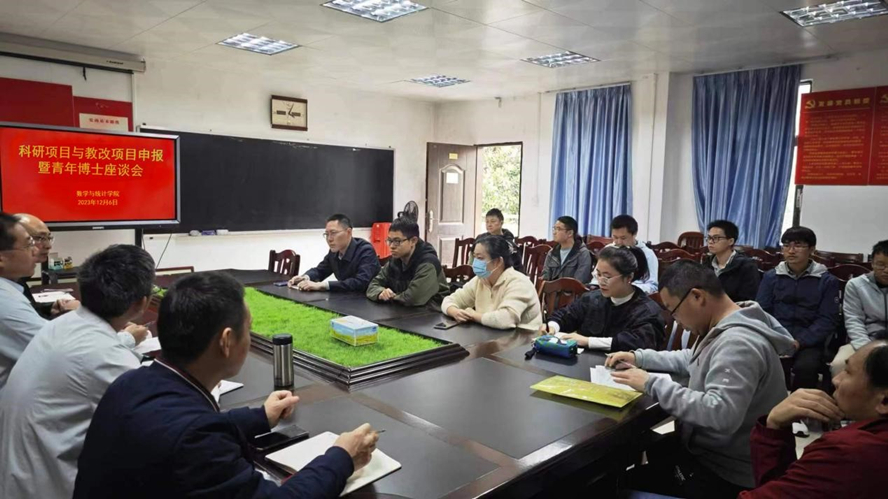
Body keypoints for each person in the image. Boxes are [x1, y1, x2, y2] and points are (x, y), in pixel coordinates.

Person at [74, 272, 379, 498]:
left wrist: (260, 417)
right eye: (249, 330)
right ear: (226, 341)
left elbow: (191, 423)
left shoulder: (132, 382)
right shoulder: (196, 441)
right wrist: (341, 457)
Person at [607, 260, 794, 499]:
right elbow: (692, 358)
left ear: (697, 296)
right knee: (635, 459)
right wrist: (639, 357)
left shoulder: (739, 343)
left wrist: (650, 383)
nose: (676, 320)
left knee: (610, 487)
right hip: (708, 454)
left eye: (673, 310)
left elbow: (720, 413)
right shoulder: (728, 322)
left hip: (726, 474)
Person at [0, 245, 153, 499]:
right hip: (47, 485)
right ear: (141, 304)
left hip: (19, 471)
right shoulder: (108, 357)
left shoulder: (64, 323)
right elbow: (154, 426)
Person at [739, 340, 888, 498]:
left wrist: (771, 429)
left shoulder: (847, 452)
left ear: (884, 401)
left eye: (848, 371)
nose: (836, 380)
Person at [756, 226, 841, 391]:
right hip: (776, 336)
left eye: (798, 245)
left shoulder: (826, 280)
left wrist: (800, 342)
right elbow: (762, 311)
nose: (791, 250)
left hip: (809, 341)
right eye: (786, 245)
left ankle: (800, 405)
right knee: (764, 363)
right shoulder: (771, 277)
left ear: (812, 249)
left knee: (806, 368)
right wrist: (776, 337)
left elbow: (827, 319)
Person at [541, 246, 664, 351]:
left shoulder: (646, 311)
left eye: (606, 277)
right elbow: (566, 315)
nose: (600, 281)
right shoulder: (592, 299)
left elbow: (637, 343)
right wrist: (552, 327)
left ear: (628, 277)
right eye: (598, 274)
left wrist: (588, 341)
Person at [442, 235, 542, 330]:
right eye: (474, 257)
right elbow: (449, 300)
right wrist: (454, 311)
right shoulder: (480, 280)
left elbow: (505, 320)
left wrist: (473, 315)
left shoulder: (519, 283)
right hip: (490, 334)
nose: (475, 263)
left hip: (522, 338)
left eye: (480, 258)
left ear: (498, 262)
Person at [830, 239, 888, 377]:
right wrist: (867, 350)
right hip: (864, 340)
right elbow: (854, 321)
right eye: (881, 265)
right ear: (872, 263)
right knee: (839, 364)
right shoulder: (856, 285)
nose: (887, 270)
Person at [0, 212, 44, 392]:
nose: (36, 251)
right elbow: (57, 346)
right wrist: (123, 336)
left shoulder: (9, 288)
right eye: (29, 244)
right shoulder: (4, 301)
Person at [367, 216, 449, 308]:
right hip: (403, 310)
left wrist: (391, 296)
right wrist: (380, 292)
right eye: (389, 240)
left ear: (413, 241)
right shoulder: (395, 260)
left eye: (397, 241)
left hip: (432, 312)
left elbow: (413, 298)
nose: (392, 246)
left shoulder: (428, 263)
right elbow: (373, 285)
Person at [288, 213, 381, 292]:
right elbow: (320, 270)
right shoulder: (334, 252)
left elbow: (361, 282)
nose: (329, 239)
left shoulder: (365, 250)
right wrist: (305, 277)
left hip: (367, 299)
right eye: (327, 234)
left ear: (349, 232)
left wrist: (323, 285)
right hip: (346, 298)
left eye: (333, 233)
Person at [15, 213, 80, 318]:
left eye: (48, 238)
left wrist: (50, 308)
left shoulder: (17, 277)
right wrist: (72, 315)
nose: (48, 246)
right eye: (39, 238)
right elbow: (35, 326)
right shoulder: (7, 287)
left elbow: (30, 310)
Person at [593, 215, 658, 294]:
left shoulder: (648, 254)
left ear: (634, 234)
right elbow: (596, 278)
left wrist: (629, 288)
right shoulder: (608, 250)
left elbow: (652, 285)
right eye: (615, 237)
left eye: (623, 238)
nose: (619, 242)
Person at [705, 219, 761, 302]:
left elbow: (748, 300)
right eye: (709, 238)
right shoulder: (707, 262)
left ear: (730, 241)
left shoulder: (746, 266)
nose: (710, 242)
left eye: (716, 238)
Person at [540, 215, 593, 283]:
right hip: (552, 289)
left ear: (570, 233)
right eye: (554, 228)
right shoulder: (552, 253)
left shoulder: (582, 253)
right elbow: (545, 276)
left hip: (572, 289)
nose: (554, 232)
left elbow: (579, 281)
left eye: (558, 229)